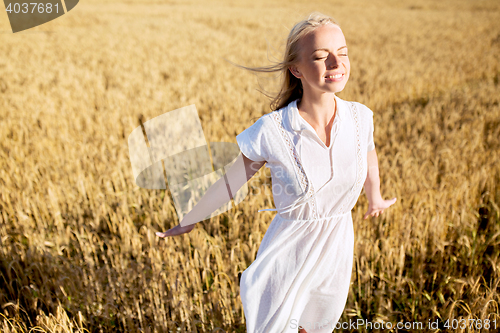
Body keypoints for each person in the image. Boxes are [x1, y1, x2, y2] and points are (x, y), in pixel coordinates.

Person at [156, 12, 397, 333]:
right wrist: (190, 219)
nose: (336, 63)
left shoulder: (361, 117)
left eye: (342, 52)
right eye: (320, 56)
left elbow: (368, 154)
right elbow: (232, 182)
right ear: (296, 69)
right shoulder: (273, 130)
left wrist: (375, 197)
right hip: (288, 252)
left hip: (337, 246)